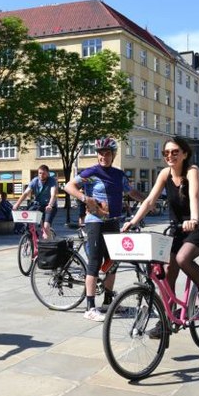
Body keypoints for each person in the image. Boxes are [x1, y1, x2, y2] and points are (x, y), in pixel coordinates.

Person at [122, 136, 199, 332]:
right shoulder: (165, 174)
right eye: (166, 153)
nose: (170, 156)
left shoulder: (192, 171)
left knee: (183, 259)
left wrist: (193, 218)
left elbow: (194, 196)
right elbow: (149, 201)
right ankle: (168, 317)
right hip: (178, 228)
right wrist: (133, 221)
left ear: (184, 153)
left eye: (175, 152)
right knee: (167, 273)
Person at [64, 137, 146, 322]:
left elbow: (131, 192)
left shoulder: (118, 174)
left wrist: (148, 201)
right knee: (95, 261)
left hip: (113, 221)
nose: (103, 156)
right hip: (95, 221)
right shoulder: (92, 172)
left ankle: (108, 302)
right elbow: (69, 186)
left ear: (113, 155)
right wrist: (86, 199)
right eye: (101, 153)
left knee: (112, 262)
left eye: (107, 153)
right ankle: (90, 308)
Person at [13, 164, 58, 239]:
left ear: (48, 173)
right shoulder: (35, 181)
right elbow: (25, 193)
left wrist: (50, 205)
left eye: (43, 173)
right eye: (40, 173)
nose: (41, 175)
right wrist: (17, 204)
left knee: (46, 227)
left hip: (49, 206)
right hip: (38, 205)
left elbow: (53, 194)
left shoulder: (52, 181)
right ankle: (32, 238)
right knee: (28, 219)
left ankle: (49, 245)